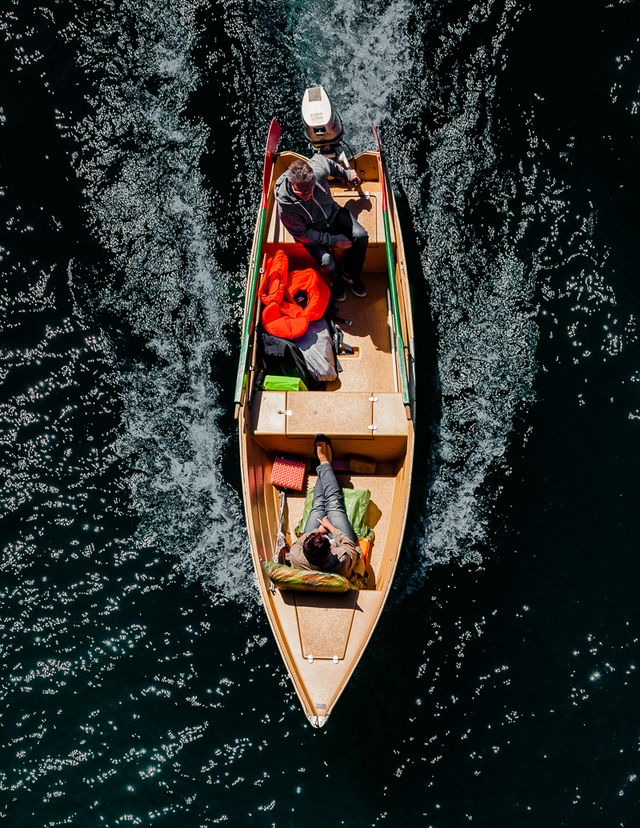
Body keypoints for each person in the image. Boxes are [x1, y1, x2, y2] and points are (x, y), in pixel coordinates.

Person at [274, 155, 369, 302]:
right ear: (292, 185)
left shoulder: (318, 168)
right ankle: (337, 284)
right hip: (312, 231)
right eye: (303, 193)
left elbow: (329, 164)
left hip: (333, 213)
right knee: (327, 261)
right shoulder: (286, 209)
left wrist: (347, 174)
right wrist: (333, 240)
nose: (308, 196)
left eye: (311, 190)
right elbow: (302, 234)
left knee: (361, 236)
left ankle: (349, 274)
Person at [286, 435, 362, 578]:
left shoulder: (296, 557)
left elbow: (298, 543)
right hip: (339, 539)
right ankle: (325, 462)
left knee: (318, 504)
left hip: (319, 539)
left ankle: (325, 463)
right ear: (330, 551)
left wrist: (319, 531)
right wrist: (330, 528)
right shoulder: (341, 561)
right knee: (334, 504)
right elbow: (349, 546)